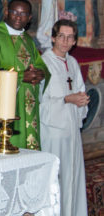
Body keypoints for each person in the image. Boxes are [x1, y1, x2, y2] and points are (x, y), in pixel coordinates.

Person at [40, 19, 88, 216]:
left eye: (70, 37)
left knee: (71, 179)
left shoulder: (73, 62)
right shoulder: (44, 62)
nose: (65, 41)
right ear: (53, 38)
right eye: (61, 36)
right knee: (56, 181)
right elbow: (40, 102)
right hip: (53, 133)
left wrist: (81, 100)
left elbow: (79, 90)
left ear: (75, 41)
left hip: (71, 133)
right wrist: (68, 99)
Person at [0, 0, 49, 150]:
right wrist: (21, 77)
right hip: (8, 102)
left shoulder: (28, 39)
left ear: (29, 18)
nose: (18, 16)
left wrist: (40, 74)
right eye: (14, 12)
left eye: (23, 14)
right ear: (7, 13)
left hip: (29, 102)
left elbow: (40, 64)